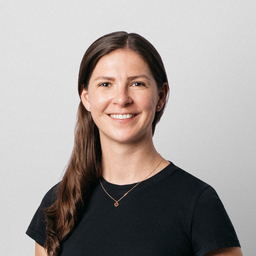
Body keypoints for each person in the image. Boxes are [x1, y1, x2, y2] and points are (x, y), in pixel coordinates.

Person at [26, 31, 242, 256]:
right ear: (86, 97)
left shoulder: (198, 203)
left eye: (137, 83)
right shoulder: (58, 202)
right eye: (106, 84)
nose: (121, 99)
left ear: (160, 96)